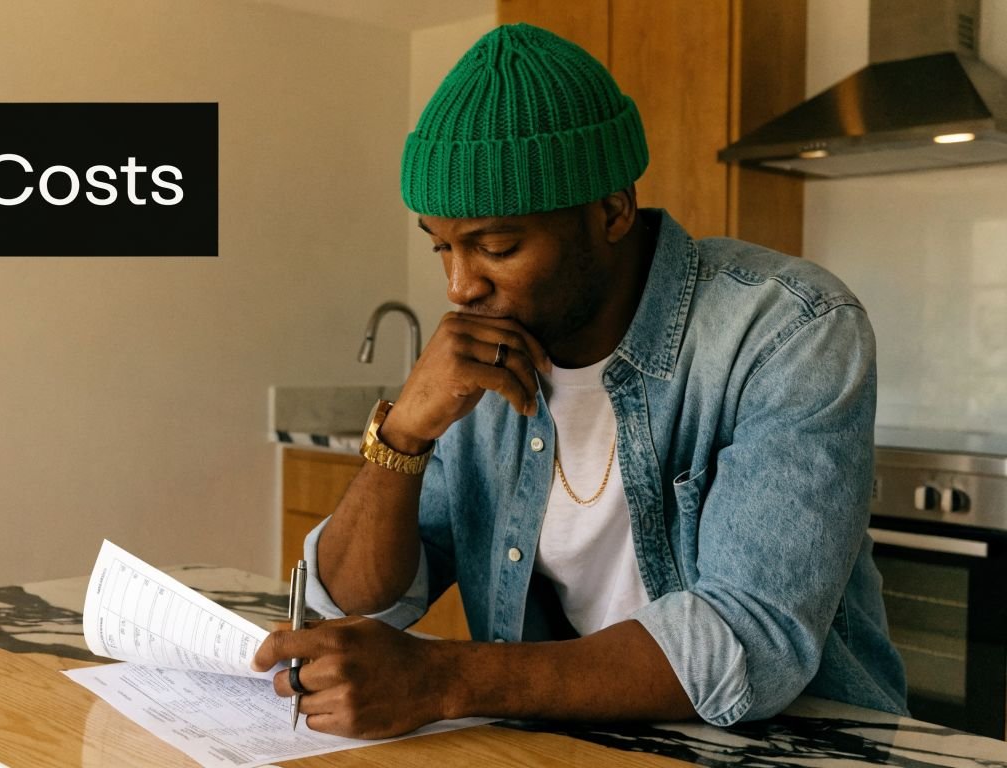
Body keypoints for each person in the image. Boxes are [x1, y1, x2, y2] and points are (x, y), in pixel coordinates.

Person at [251, 23, 907, 739]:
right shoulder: (483, 362)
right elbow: (352, 608)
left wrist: (443, 679)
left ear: (612, 211)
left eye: (497, 246)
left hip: (787, 748)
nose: (460, 286)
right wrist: (402, 435)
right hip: (575, 741)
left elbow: (747, 639)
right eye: (442, 246)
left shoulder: (787, 328)